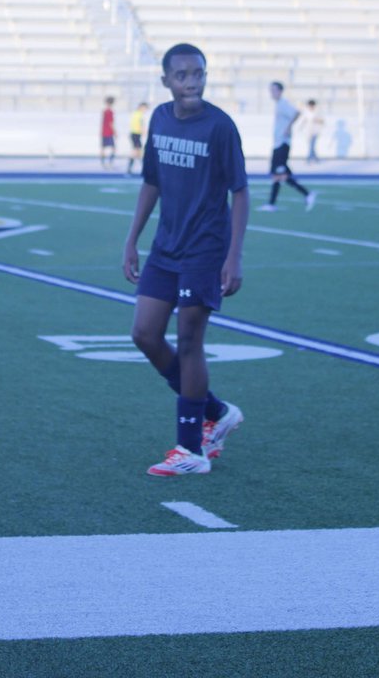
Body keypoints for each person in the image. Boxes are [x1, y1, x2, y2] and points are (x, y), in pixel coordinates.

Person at [122, 43, 249, 476]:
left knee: (191, 340)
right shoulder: (158, 118)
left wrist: (233, 256)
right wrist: (131, 239)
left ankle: (190, 449)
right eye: (182, 75)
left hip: (205, 251)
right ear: (166, 81)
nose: (191, 81)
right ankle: (216, 411)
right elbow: (151, 182)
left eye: (198, 73)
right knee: (144, 334)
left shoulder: (220, 126)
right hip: (164, 247)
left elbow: (240, 192)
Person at [258, 82, 316, 212]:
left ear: (279, 91)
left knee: (280, 174)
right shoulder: (279, 104)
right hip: (278, 143)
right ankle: (273, 203)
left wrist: (288, 128)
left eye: (273, 90)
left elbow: (296, 113)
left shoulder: (283, 103)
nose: (271, 93)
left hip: (282, 144)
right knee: (277, 174)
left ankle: (306, 194)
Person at [127, 101, 148, 175]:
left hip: (134, 134)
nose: (145, 110)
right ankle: (130, 168)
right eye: (145, 108)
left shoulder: (135, 113)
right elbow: (141, 125)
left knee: (138, 151)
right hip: (135, 134)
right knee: (136, 151)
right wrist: (144, 132)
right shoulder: (139, 115)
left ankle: (143, 168)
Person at [100, 96, 116, 168]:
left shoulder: (104, 111)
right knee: (113, 148)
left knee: (103, 148)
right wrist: (115, 132)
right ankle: (110, 163)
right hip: (109, 132)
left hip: (103, 132)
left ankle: (103, 163)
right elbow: (110, 123)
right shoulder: (110, 112)